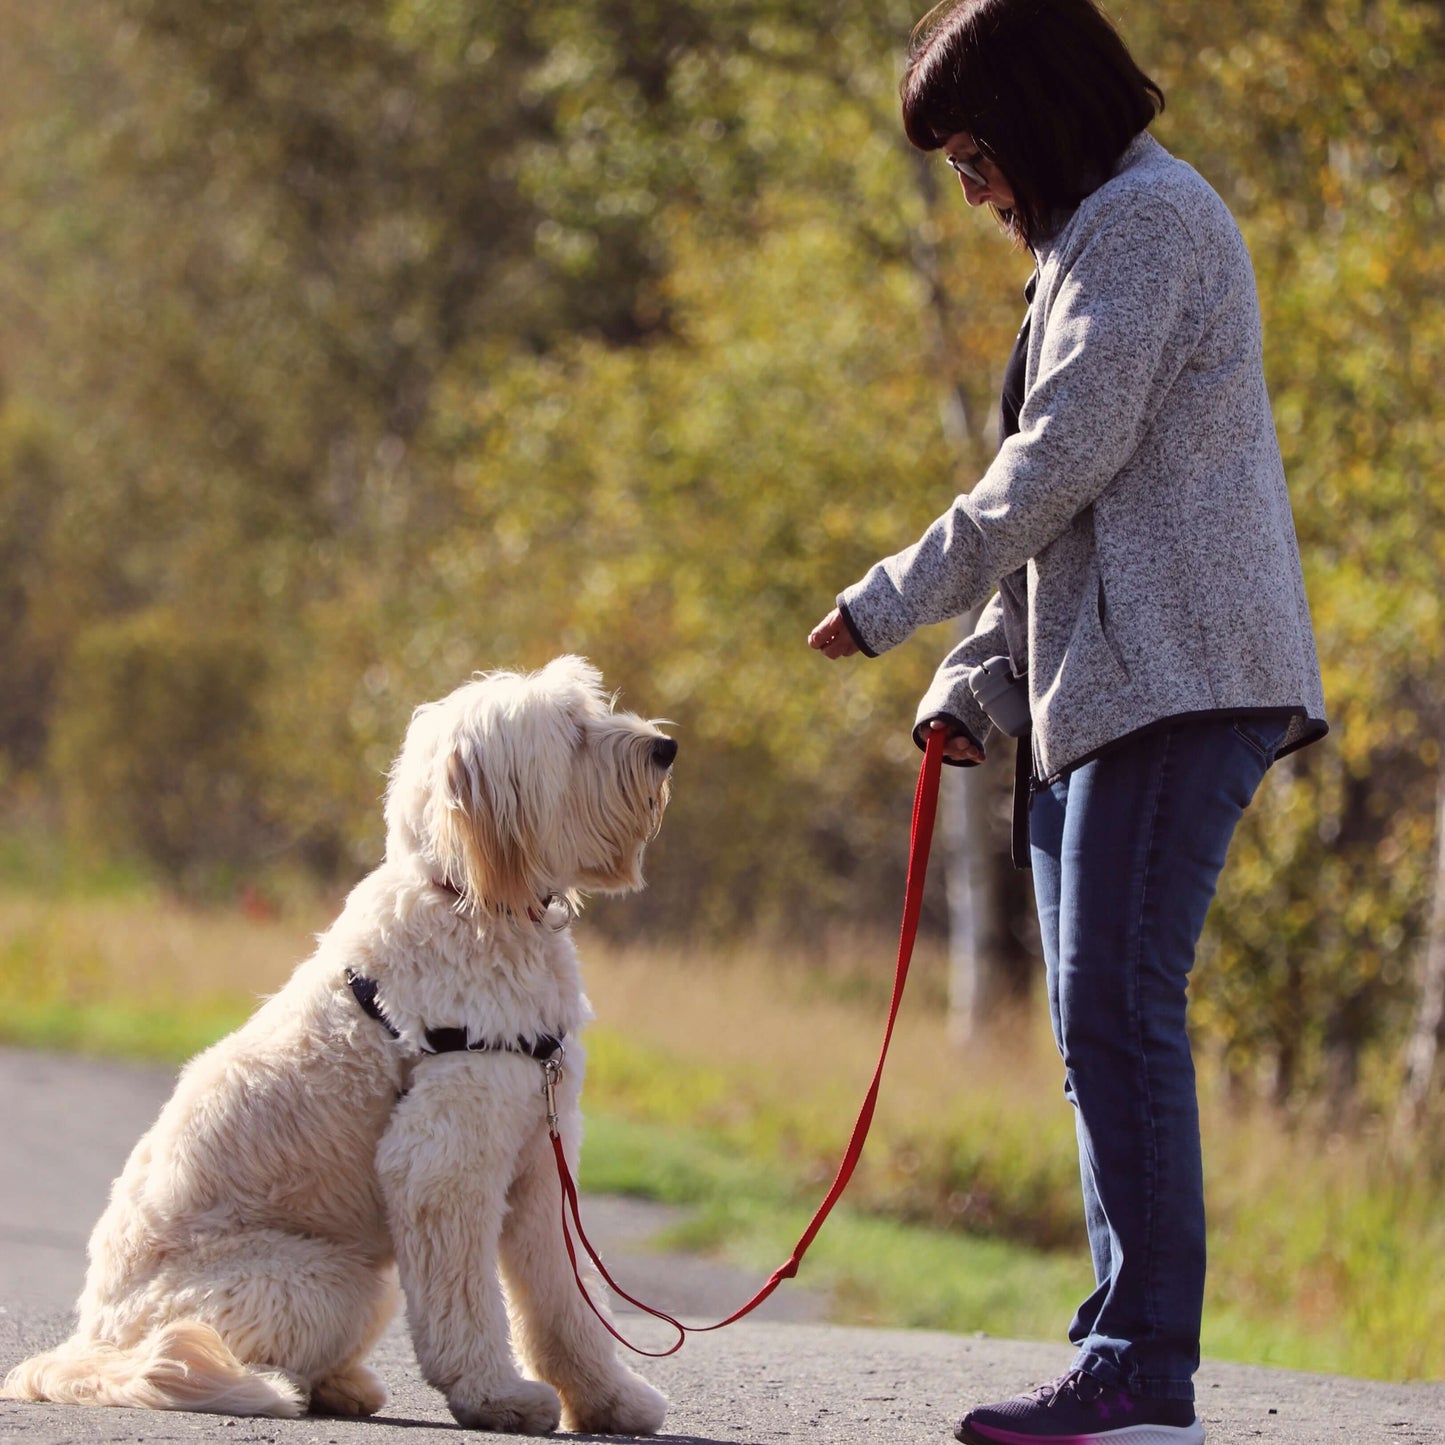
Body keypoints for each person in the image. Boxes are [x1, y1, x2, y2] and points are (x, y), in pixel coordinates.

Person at [808, 2, 1328, 1442]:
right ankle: (1125, 1352)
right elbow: (1067, 519)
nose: (970, 192)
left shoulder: (1146, 225)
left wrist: (890, 596)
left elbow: (1060, 458)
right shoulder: (1084, 246)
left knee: (1116, 1013)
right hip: (1107, 685)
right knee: (1096, 1021)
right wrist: (970, 686)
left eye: (974, 156)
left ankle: (1143, 1368)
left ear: (1036, 115)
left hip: (1182, 676)